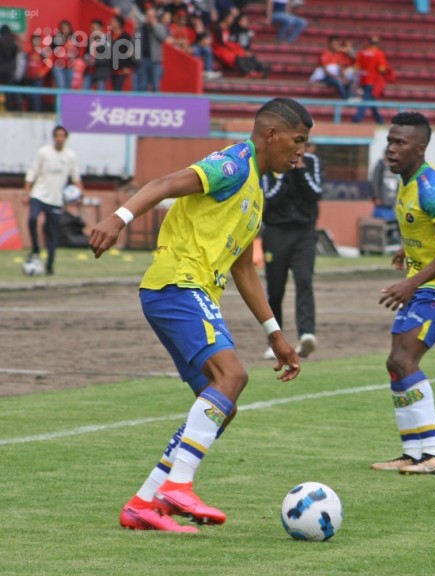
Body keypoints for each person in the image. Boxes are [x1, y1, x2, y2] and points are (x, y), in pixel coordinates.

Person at [88, 98, 313, 533]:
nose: (301, 151)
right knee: (232, 378)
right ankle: (179, 486)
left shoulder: (255, 191)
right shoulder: (233, 165)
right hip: (178, 284)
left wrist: (275, 335)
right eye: (298, 140)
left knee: (220, 403)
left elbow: (244, 267)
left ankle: (144, 502)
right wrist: (117, 218)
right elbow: (166, 182)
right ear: (271, 135)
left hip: (182, 291)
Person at [371, 112, 435, 475]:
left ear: (420, 148)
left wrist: (411, 281)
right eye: (389, 141)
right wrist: (407, 251)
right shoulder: (407, 181)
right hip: (426, 285)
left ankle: (434, 454)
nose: (391, 150)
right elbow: (427, 232)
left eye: (400, 143)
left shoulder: (432, 188)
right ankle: (413, 453)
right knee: (395, 362)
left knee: (405, 361)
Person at [261, 141, 323, 361]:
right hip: (276, 234)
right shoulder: (270, 165)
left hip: (304, 234)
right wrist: (288, 173)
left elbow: (315, 194)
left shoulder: (312, 163)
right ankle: (275, 341)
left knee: (304, 281)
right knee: (275, 291)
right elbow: (268, 201)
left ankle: (306, 334)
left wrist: (300, 171)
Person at [23, 125, 83, 276]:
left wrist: (80, 194)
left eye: (62, 136)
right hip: (38, 194)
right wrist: (26, 192)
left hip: (55, 200)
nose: (59, 138)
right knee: (32, 219)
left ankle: (49, 265)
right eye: (57, 135)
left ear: (66, 138)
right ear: (54, 137)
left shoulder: (70, 156)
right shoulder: (44, 152)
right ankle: (36, 249)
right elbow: (33, 171)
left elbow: (76, 177)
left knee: (52, 232)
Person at [353, 35, 390, 125]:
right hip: (372, 81)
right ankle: (357, 119)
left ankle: (379, 120)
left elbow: (357, 67)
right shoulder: (379, 53)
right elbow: (382, 69)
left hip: (363, 79)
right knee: (366, 101)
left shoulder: (362, 52)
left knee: (370, 100)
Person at [134, 6, 170, 92]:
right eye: (148, 17)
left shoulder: (160, 27)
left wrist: (154, 26)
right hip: (143, 60)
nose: (150, 19)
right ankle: (143, 103)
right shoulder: (140, 28)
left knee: (155, 84)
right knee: (142, 85)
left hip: (155, 60)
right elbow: (135, 42)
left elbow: (163, 38)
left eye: (152, 17)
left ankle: (156, 103)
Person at [369, 154, 399, 221]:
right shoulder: (380, 166)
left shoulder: (395, 167)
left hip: (391, 206)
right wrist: (376, 196)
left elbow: (397, 184)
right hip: (381, 205)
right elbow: (375, 181)